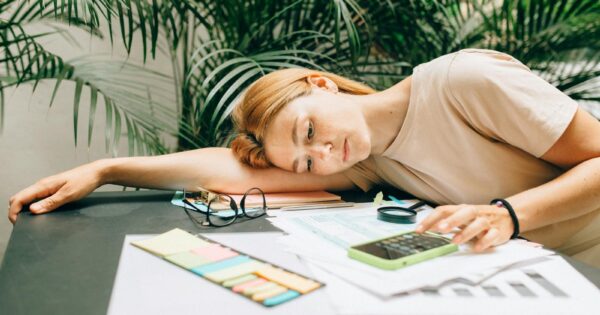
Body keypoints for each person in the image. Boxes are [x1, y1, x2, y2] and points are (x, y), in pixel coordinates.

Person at [7, 49, 600, 267]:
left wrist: (507, 215)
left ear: (321, 83)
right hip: (543, 277)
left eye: (309, 128)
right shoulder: (371, 162)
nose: (322, 153)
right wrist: (108, 169)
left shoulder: (462, 82)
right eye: (307, 162)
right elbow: (221, 166)